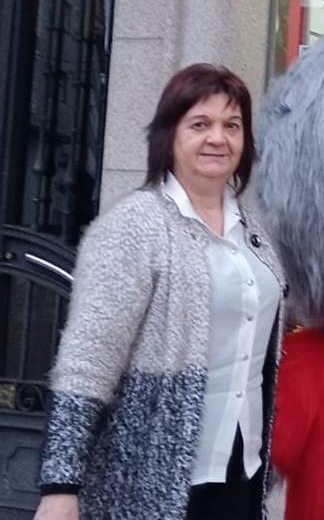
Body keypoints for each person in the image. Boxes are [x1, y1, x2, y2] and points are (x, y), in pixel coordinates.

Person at [34, 64, 286, 520]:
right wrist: (61, 483)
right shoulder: (135, 227)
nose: (218, 138)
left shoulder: (254, 234)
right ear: (170, 135)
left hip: (241, 468)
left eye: (232, 126)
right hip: (154, 475)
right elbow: (87, 360)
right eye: (200, 124)